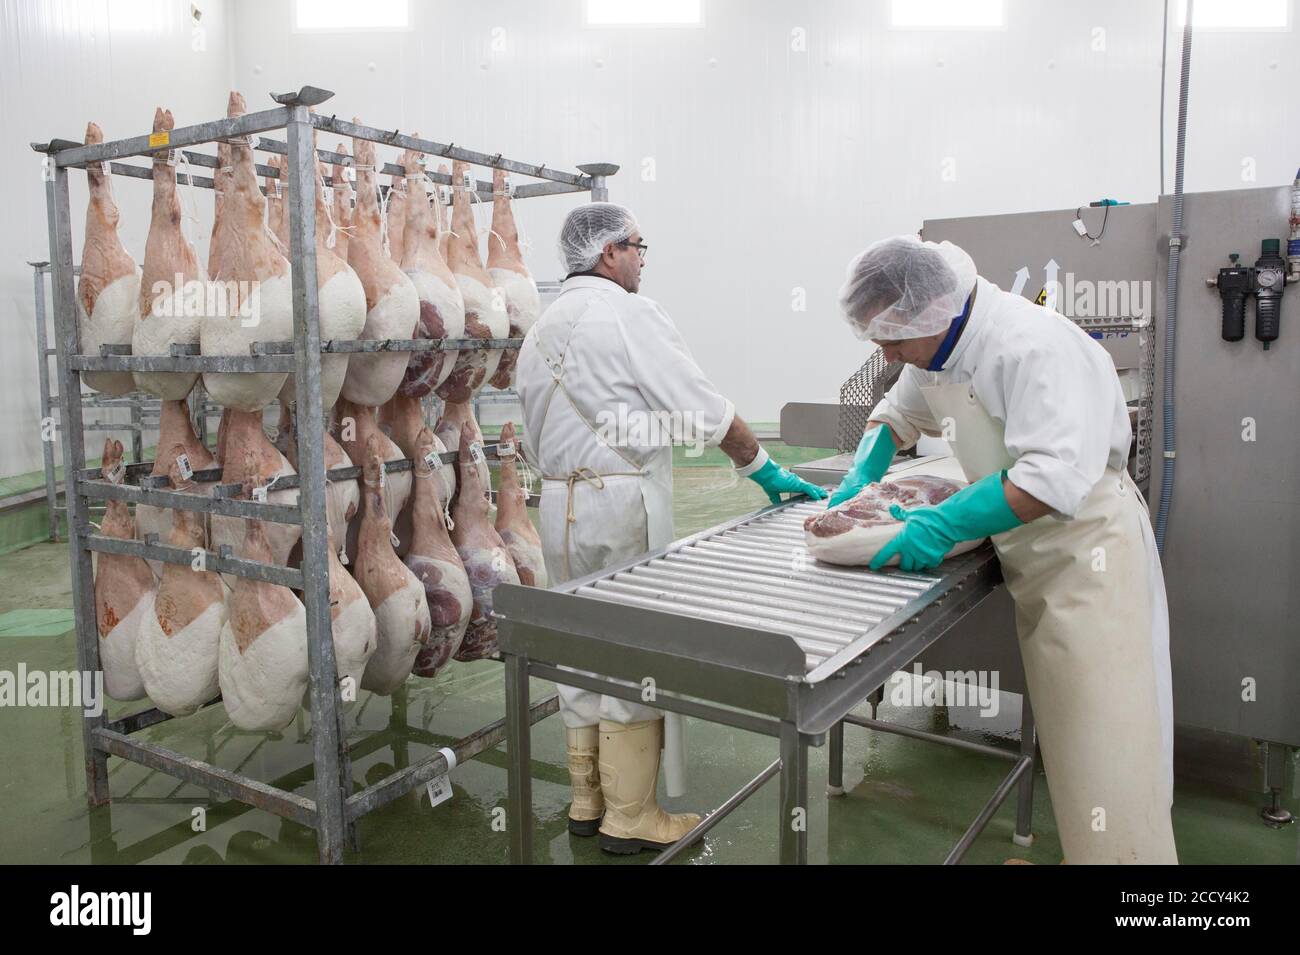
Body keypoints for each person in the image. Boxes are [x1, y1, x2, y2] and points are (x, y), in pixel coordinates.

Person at [833, 235, 1176, 865]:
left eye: (889, 338)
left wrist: (940, 525)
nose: (885, 353)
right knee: (1072, 739)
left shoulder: (1029, 343)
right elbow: (894, 415)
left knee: (1110, 746)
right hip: (1032, 555)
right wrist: (862, 476)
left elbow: (1051, 479)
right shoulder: (935, 350)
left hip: (1086, 553)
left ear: (927, 314)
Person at [514, 202, 825, 854]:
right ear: (607, 254)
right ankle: (632, 816)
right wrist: (765, 469)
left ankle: (587, 800)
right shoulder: (629, 314)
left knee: (578, 645)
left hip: (556, 505)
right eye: (637, 245)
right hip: (619, 504)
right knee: (632, 648)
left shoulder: (540, 328)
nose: (643, 257)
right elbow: (701, 406)